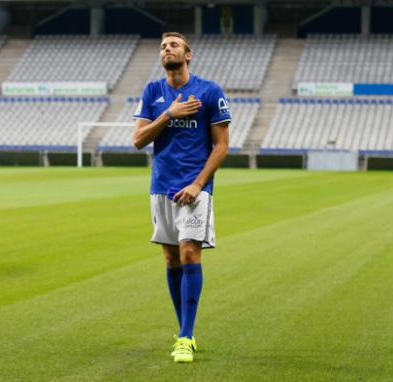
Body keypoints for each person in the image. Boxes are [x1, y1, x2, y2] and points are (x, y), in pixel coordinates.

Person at [132, 32, 231, 363]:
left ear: (188, 55)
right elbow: (137, 140)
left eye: (173, 45)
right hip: (162, 186)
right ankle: (183, 330)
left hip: (195, 188)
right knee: (171, 259)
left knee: (190, 252)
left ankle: (186, 337)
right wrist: (168, 115)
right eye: (162, 46)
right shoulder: (153, 92)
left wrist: (199, 184)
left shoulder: (209, 91)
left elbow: (221, 146)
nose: (166, 49)